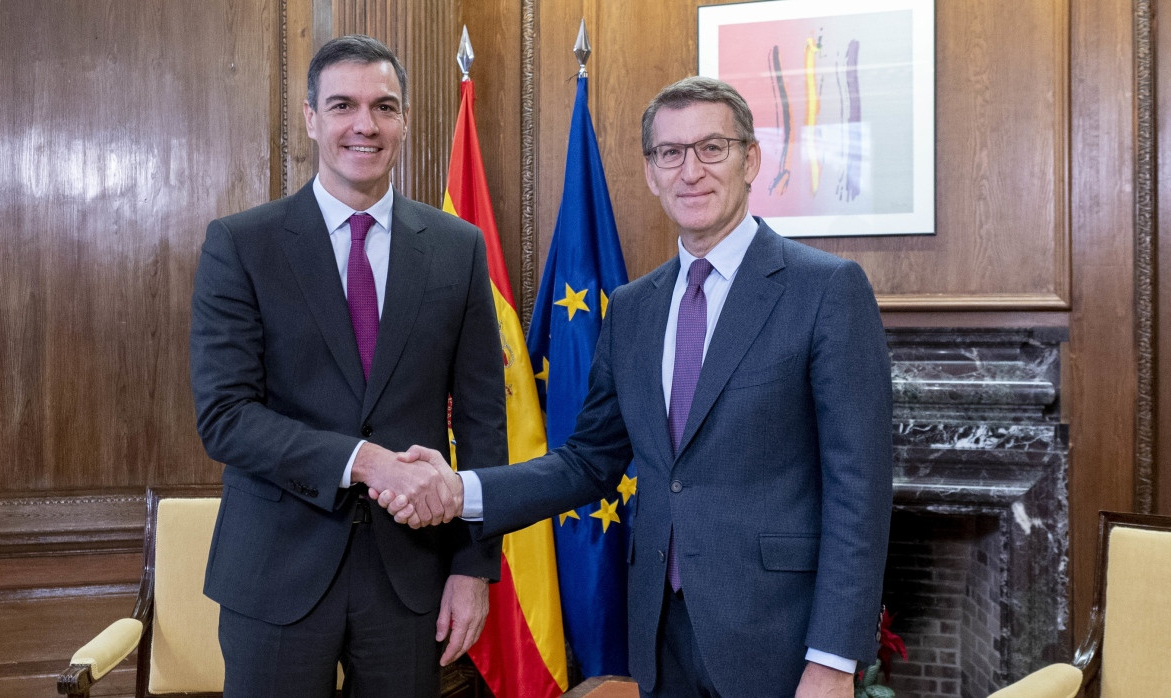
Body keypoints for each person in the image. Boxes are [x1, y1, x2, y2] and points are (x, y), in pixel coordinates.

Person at [381, 76, 893, 698]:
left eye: (713, 148)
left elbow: (859, 493)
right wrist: (461, 490)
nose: (691, 171)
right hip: (657, 631)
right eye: (670, 153)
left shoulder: (825, 291)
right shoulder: (632, 308)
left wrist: (834, 657)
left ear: (751, 159)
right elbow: (589, 460)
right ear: (650, 173)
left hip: (779, 638)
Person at [189, 34, 506, 698]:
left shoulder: (458, 248)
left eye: (384, 107)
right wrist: (367, 461)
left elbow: (483, 422)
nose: (365, 124)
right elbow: (225, 419)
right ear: (310, 118)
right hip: (275, 572)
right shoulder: (242, 245)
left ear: (405, 120)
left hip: (411, 579)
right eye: (342, 105)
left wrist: (473, 569)